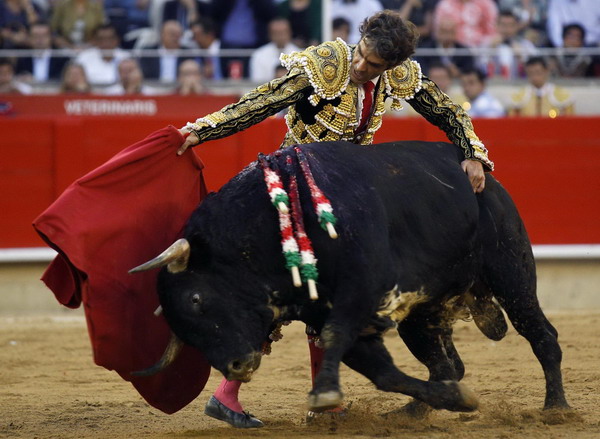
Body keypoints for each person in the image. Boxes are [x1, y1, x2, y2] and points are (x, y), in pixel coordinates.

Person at [178, 9, 493, 428]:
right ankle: (227, 393)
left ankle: (320, 398)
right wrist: (202, 130)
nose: (361, 67)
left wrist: (471, 150)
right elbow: (261, 101)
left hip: (343, 199)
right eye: (361, 54)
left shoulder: (401, 76)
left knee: (330, 298)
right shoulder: (326, 63)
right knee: (273, 294)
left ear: (392, 66)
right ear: (358, 41)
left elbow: (447, 111)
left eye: (374, 65)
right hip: (291, 192)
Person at [508, 56, 574, 116]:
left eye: (538, 72)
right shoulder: (518, 96)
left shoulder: (562, 95)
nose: (535, 77)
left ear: (546, 71)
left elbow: (569, 121)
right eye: (531, 73)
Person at [485, 10, 538, 79]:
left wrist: (521, 57)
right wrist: (490, 50)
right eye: (503, 25)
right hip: (494, 85)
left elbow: (537, 68)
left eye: (511, 25)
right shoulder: (487, 43)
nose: (507, 29)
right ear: (496, 26)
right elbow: (478, 68)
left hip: (519, 85)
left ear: (517, 26)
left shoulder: (527, 45)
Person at [249, 17, 300, 82]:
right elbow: (257, 81)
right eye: (276, 33)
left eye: (283, 33)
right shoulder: (259, 55)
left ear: (290, 33)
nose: (280, 37)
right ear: (270, 35)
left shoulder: (300, 55)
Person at [433, 0, 498, 48]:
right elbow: (438, 31)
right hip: (454, 49)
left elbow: (493, 31)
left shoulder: (486, 4)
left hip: (481, 49)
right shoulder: (445, 5)